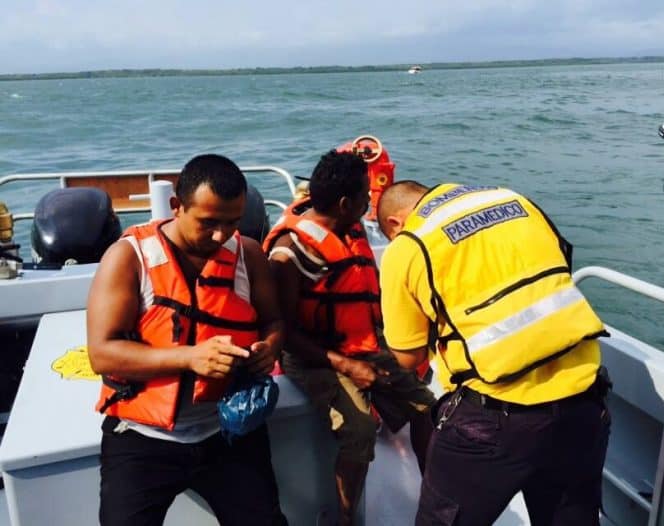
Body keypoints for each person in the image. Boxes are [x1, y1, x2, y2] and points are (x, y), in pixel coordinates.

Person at [377, 181, 612, 526]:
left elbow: (408, 359)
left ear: (395, 224)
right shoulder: (516, 200)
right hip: (585, 404)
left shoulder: (409, 245)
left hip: (494, 420)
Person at [87, 154, 286, 526]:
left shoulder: (249, 255)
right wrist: (190, 357)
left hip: (228, 431)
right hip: (143, 437)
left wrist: (269, 347)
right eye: (208, 223)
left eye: (232, 223)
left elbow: (273, 320)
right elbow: (102, 353)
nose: (220, 236)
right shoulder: (128, 258)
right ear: (177, 207)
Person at [263, 151, 435, 526]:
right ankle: (345, 518)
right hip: (312, 357)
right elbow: (285, 333)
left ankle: (433, 496)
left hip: (362, 345)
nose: (368, 206)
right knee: (358, 429)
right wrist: (345, 365)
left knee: (428, 407)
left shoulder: (349, 229)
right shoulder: (290, 253)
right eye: (364, 198)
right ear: (345, 203)